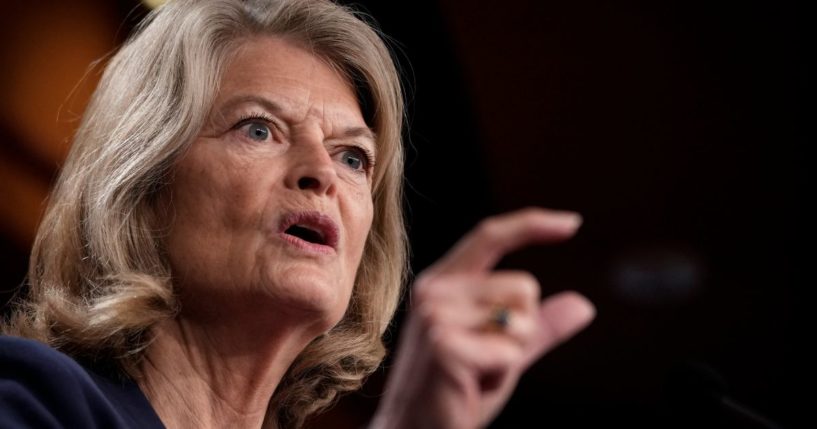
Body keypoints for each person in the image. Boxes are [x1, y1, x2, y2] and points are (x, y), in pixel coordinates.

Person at [0, 0, 595, 428]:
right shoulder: (35, 399)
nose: (322, 173)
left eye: (354, 157)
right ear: (144, 184)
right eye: (258, 129)